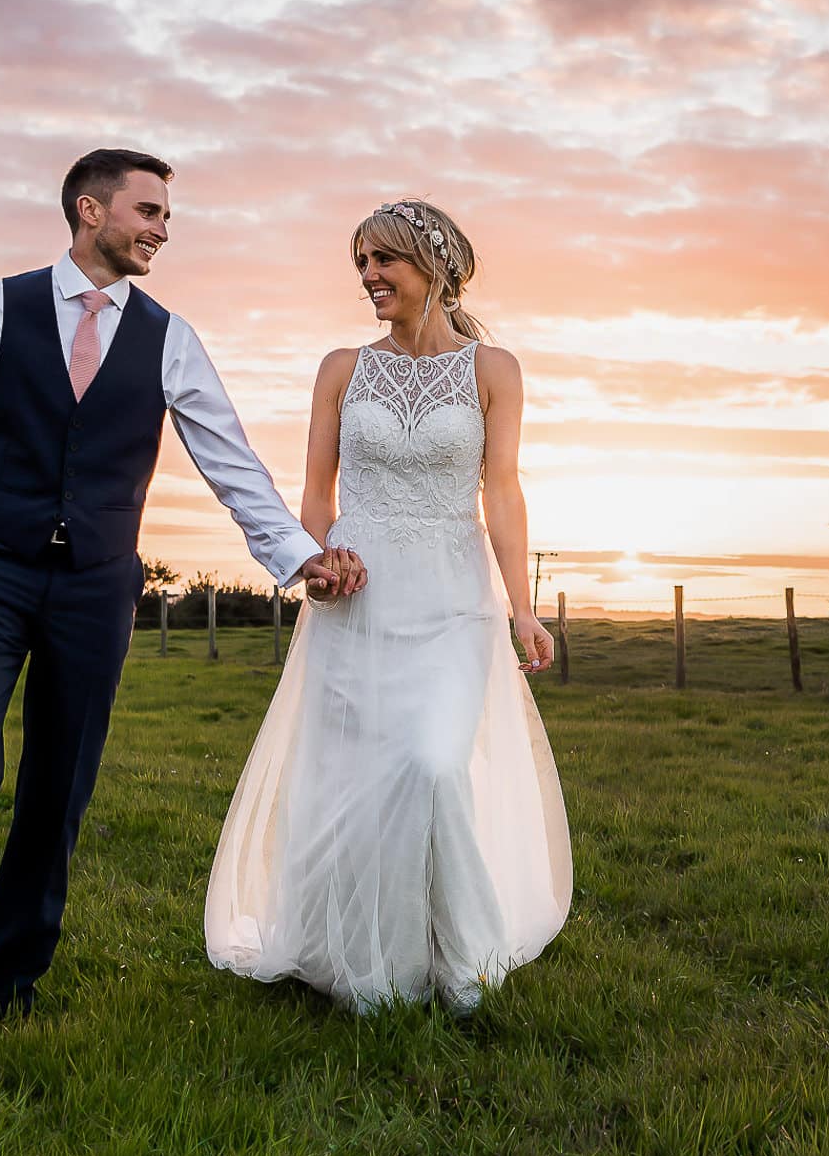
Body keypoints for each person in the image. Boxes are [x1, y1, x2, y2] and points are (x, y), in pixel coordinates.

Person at [0, 149, 354, 1080]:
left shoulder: (170, 337)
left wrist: (297, 559)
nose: (162, 230)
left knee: (58, 789)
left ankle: (8, 986)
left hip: (97, 588)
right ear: (89, 211)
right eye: (149, 211)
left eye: (167, 216)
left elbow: (232, 462)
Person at [204, 199, 571, 1014]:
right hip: (357, 596)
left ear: (432, 266)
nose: (368, 277)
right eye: (360, 264)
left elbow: (501, 492)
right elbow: (314, 489)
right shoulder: (341, 367)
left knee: (433, 763)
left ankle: (457, 955)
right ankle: (359, 956)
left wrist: (523, 607)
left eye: (383, 261)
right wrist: (314, 561)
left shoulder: (493, 369)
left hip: (450, 593)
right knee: (351, 778)